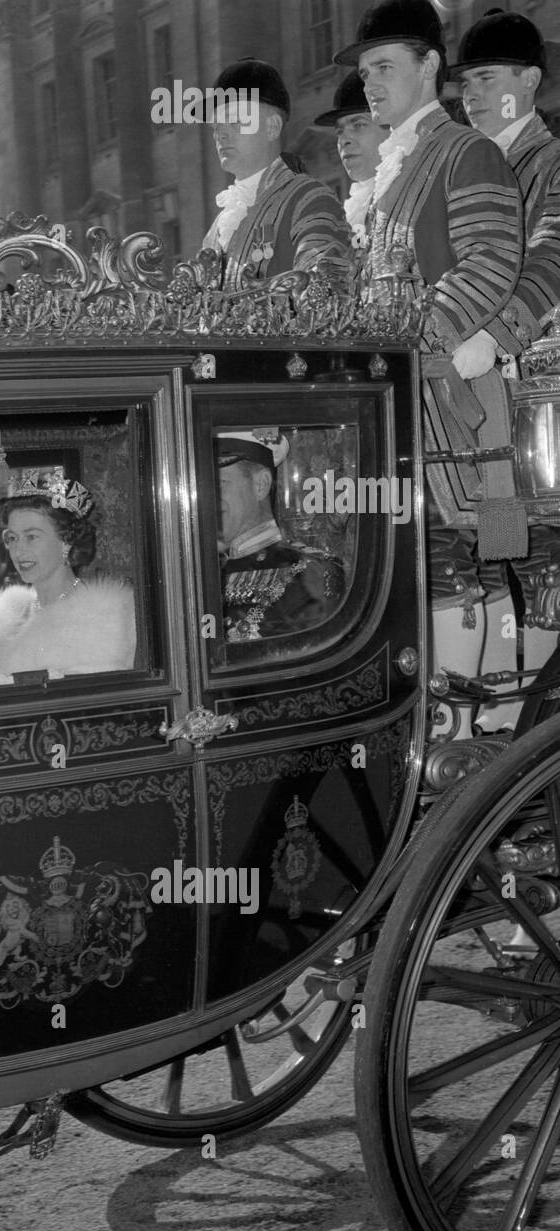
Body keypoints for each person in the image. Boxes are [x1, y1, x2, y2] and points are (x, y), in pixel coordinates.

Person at [335, 0, 524, 714]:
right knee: (426, 568)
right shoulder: (392, 173)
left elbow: (492, 261)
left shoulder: (466, 151)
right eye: (365, 71)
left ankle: (494, 741)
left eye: (384, 67)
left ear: (430, 67)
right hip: (406, 404)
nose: (372, 83)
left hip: (466, 410)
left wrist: (412, 344)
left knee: (493, 562)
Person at [454, 9, 560, 699]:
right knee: (502, 553)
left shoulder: (550, 161)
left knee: (546, 557)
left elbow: (553, 256)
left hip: (541, 401)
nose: (472, 95)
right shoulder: (477, 162)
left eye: (487, 79)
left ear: (529, 80)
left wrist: (496, 335)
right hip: (490, 406)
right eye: (465, 83)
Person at [0, 470, 135, 689]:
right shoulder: (3, 616)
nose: (18, 550)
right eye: (12, 538)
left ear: (66, 542)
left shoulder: (104, 620)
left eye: (32, 537)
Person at [203, 58, 351, 289]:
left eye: (234, 121)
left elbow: (323, 295)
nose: (220, 134)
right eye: (216, 126)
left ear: (272, 127)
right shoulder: (219, 226)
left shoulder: (309, 201)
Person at [217, 430, 345, 642]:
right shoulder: (205, 570)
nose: (209, 498)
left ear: (261, 485)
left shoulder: (309, 573)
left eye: (220, 483)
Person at [313, 71, 387, 251]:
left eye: (358, 125)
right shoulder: (354, 208)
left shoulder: (411, 191)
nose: (344, 140)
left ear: (391, 125)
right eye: (339, 131)